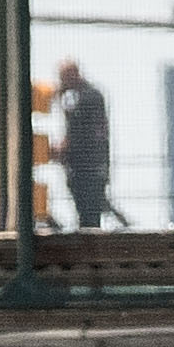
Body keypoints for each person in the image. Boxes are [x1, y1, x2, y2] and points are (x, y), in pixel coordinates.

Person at [54, 58, 112, 229]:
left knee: (89, 211)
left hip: (88, 165)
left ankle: (89, 237)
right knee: (85, 210)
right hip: (84, 165)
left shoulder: (89, 97)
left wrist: (64, 148)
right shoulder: (83, 96)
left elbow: (80, 131)